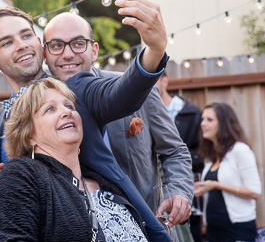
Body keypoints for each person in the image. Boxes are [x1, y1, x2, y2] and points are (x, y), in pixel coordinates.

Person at [0, 0, 173, 242]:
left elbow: (121, 95)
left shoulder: (74, 90)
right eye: (7, 42)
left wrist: (154, 50)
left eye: (26, 36)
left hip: (92, 237)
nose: (22, 45)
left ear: (39, 45)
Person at [42, 12, 193, 228]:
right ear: (44, 54)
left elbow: (174, 150)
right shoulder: (38, 106)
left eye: (78, 43)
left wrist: (178, 192)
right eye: (56, 45)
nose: (68, 54)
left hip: (145, 228)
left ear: (94, 51)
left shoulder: (137, 89)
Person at [0, 77, 153, 242]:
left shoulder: (104, 182)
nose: (66, 112)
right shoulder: (20, 175)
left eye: (70, 106)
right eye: (50, 109)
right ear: (28, 135)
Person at [194, 102, 261, 242]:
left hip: (238, 233)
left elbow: (255, 192)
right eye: (203, 119)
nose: (203, 123)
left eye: (209, 120)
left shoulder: (240, 151)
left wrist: (215, 185)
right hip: (213, 235)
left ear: (223, 124)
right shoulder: (210, 158)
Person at [157, 72, 204, 242]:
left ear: (165, 81)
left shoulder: (191, 113)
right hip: (156, 190)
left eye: (155, 81)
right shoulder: (142, 111)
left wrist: (175, 156)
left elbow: (202, 153)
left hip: (187, 186)